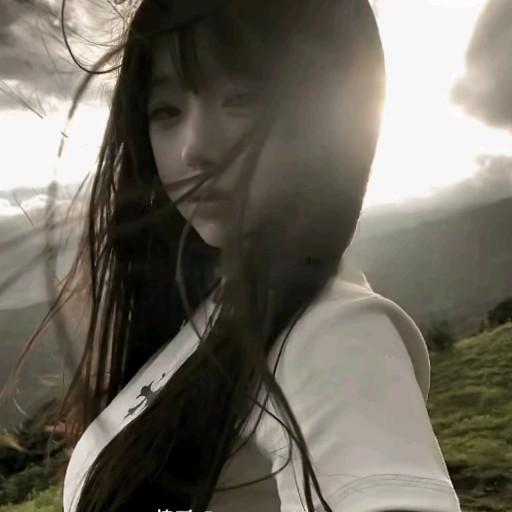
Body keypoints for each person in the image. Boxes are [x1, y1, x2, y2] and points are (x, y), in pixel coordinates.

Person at [3, 0, 462, 511]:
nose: (193, 148)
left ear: (331, 114)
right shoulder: (218, 306)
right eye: (167, 110)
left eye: (242, 98)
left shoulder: (337, 334)